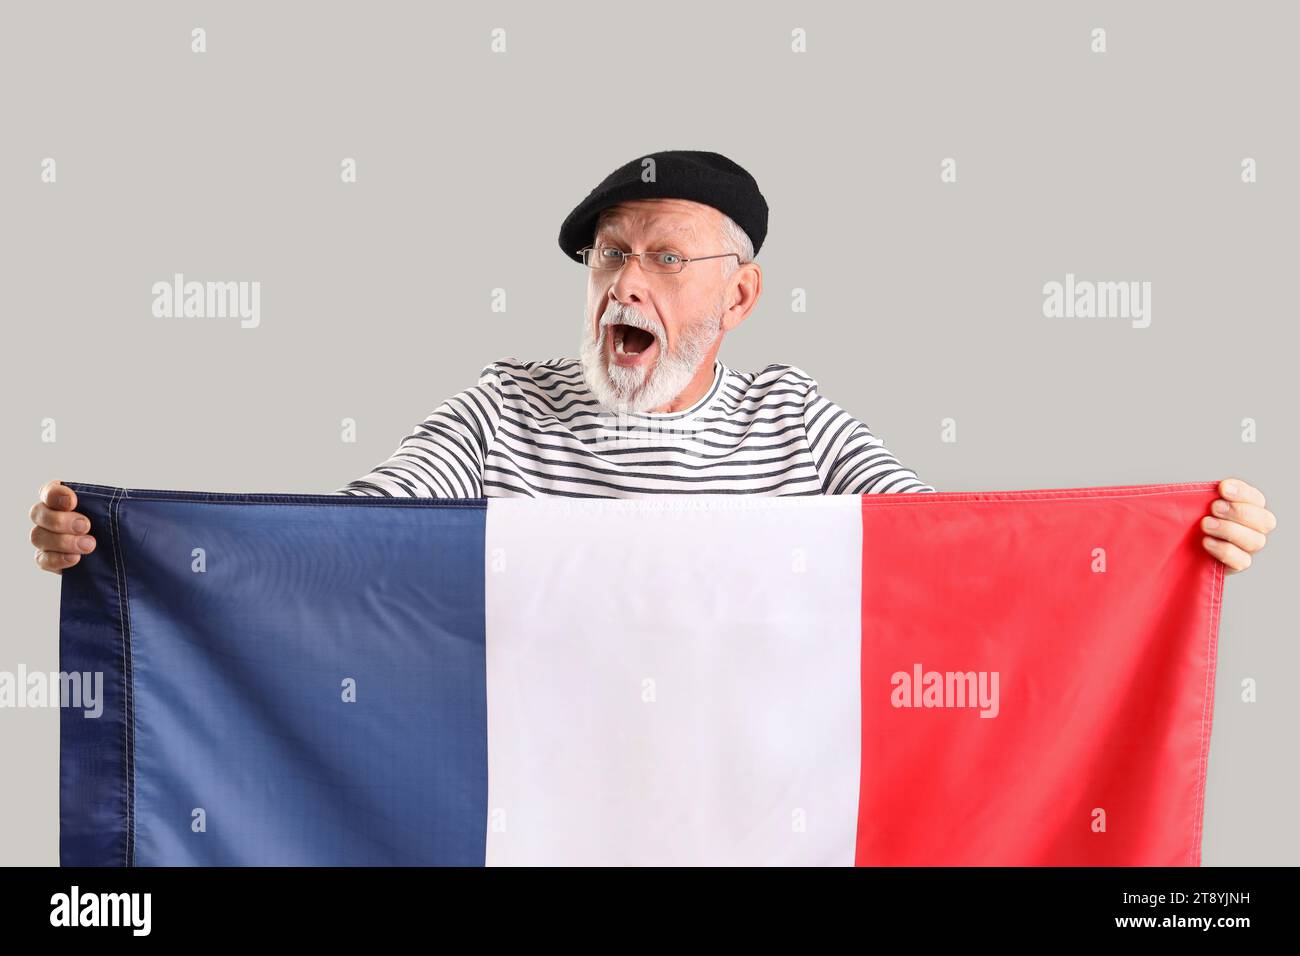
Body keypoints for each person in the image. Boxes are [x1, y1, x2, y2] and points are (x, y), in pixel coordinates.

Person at [28, 150, 1276, 572]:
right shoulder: (500, 406)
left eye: (665, 258)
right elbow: (342, 542)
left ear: (739, 294)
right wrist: (134, 543)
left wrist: (1168, 542)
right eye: (608, 256)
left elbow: (946, 553)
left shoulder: (798, 420)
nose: (626, 280)